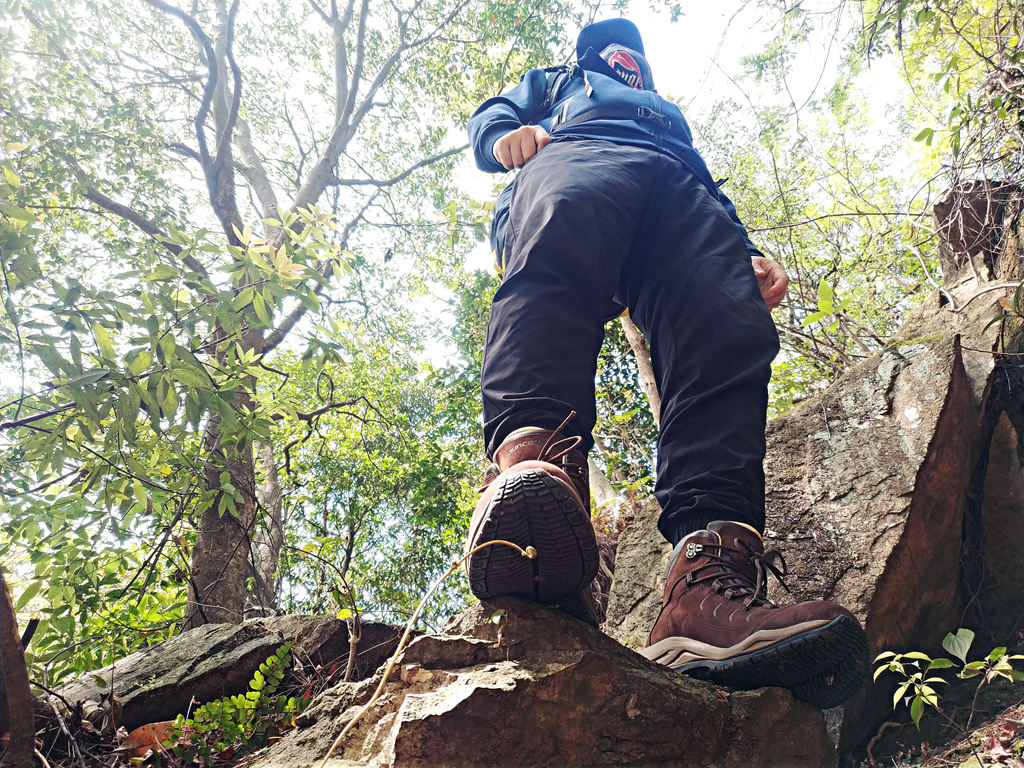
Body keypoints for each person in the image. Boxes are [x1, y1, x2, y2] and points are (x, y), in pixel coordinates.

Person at [464, 18, 867, 708]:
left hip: (678, 185)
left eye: (635, 56)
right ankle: (535, 477)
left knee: (726, 319)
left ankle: (705, 583)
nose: (629, 62)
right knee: (559, 243)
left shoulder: (667, 114)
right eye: (617, 52)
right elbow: (496, 111)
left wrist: (741, 246)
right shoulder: (560, 82)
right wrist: (503, 138)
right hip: (576, 154)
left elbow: (709, 183)